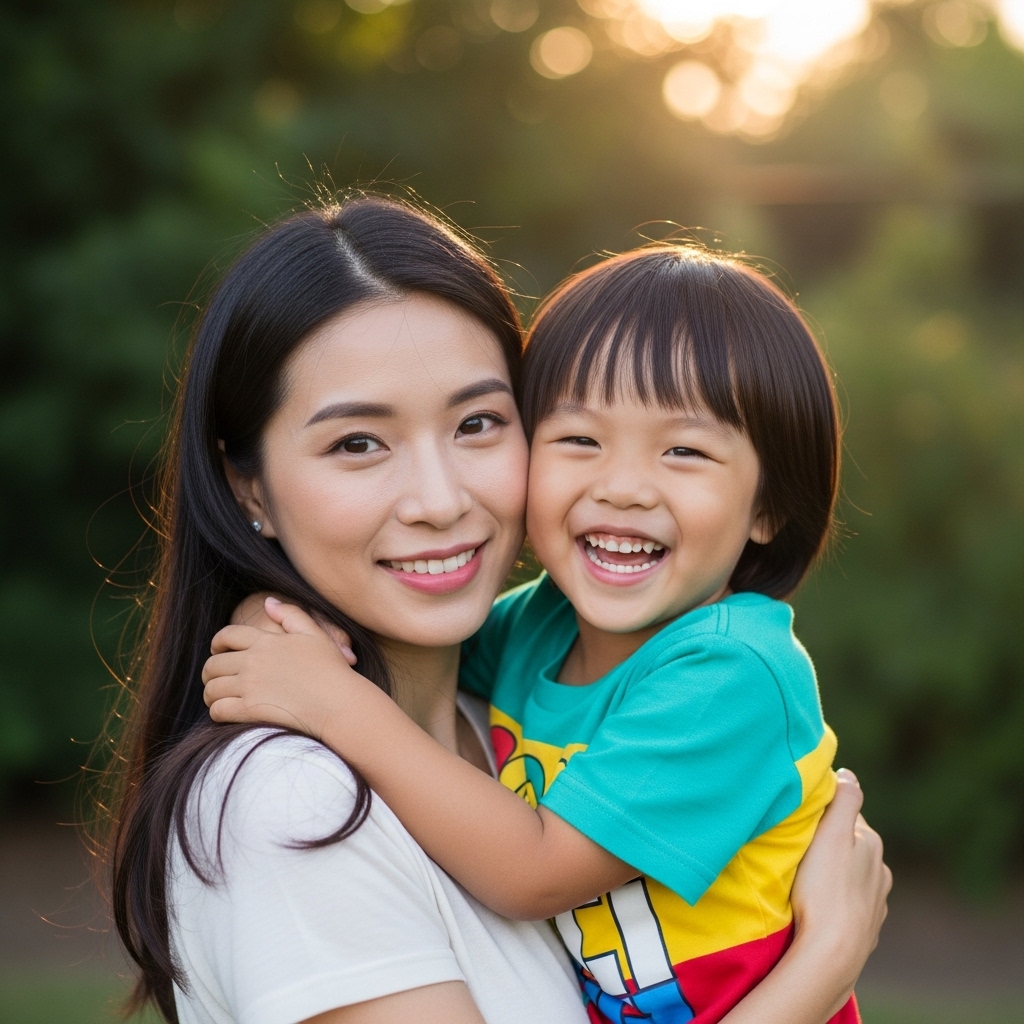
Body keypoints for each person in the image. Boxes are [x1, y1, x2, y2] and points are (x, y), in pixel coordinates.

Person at [106, 196, 890, 1024]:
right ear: (247, 486)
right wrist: (820, 970)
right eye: (357, 443)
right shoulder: (291, 802)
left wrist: (327, 687)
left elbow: (531, 867)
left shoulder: (627, 687)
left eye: (477, 422)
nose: (440, 502)